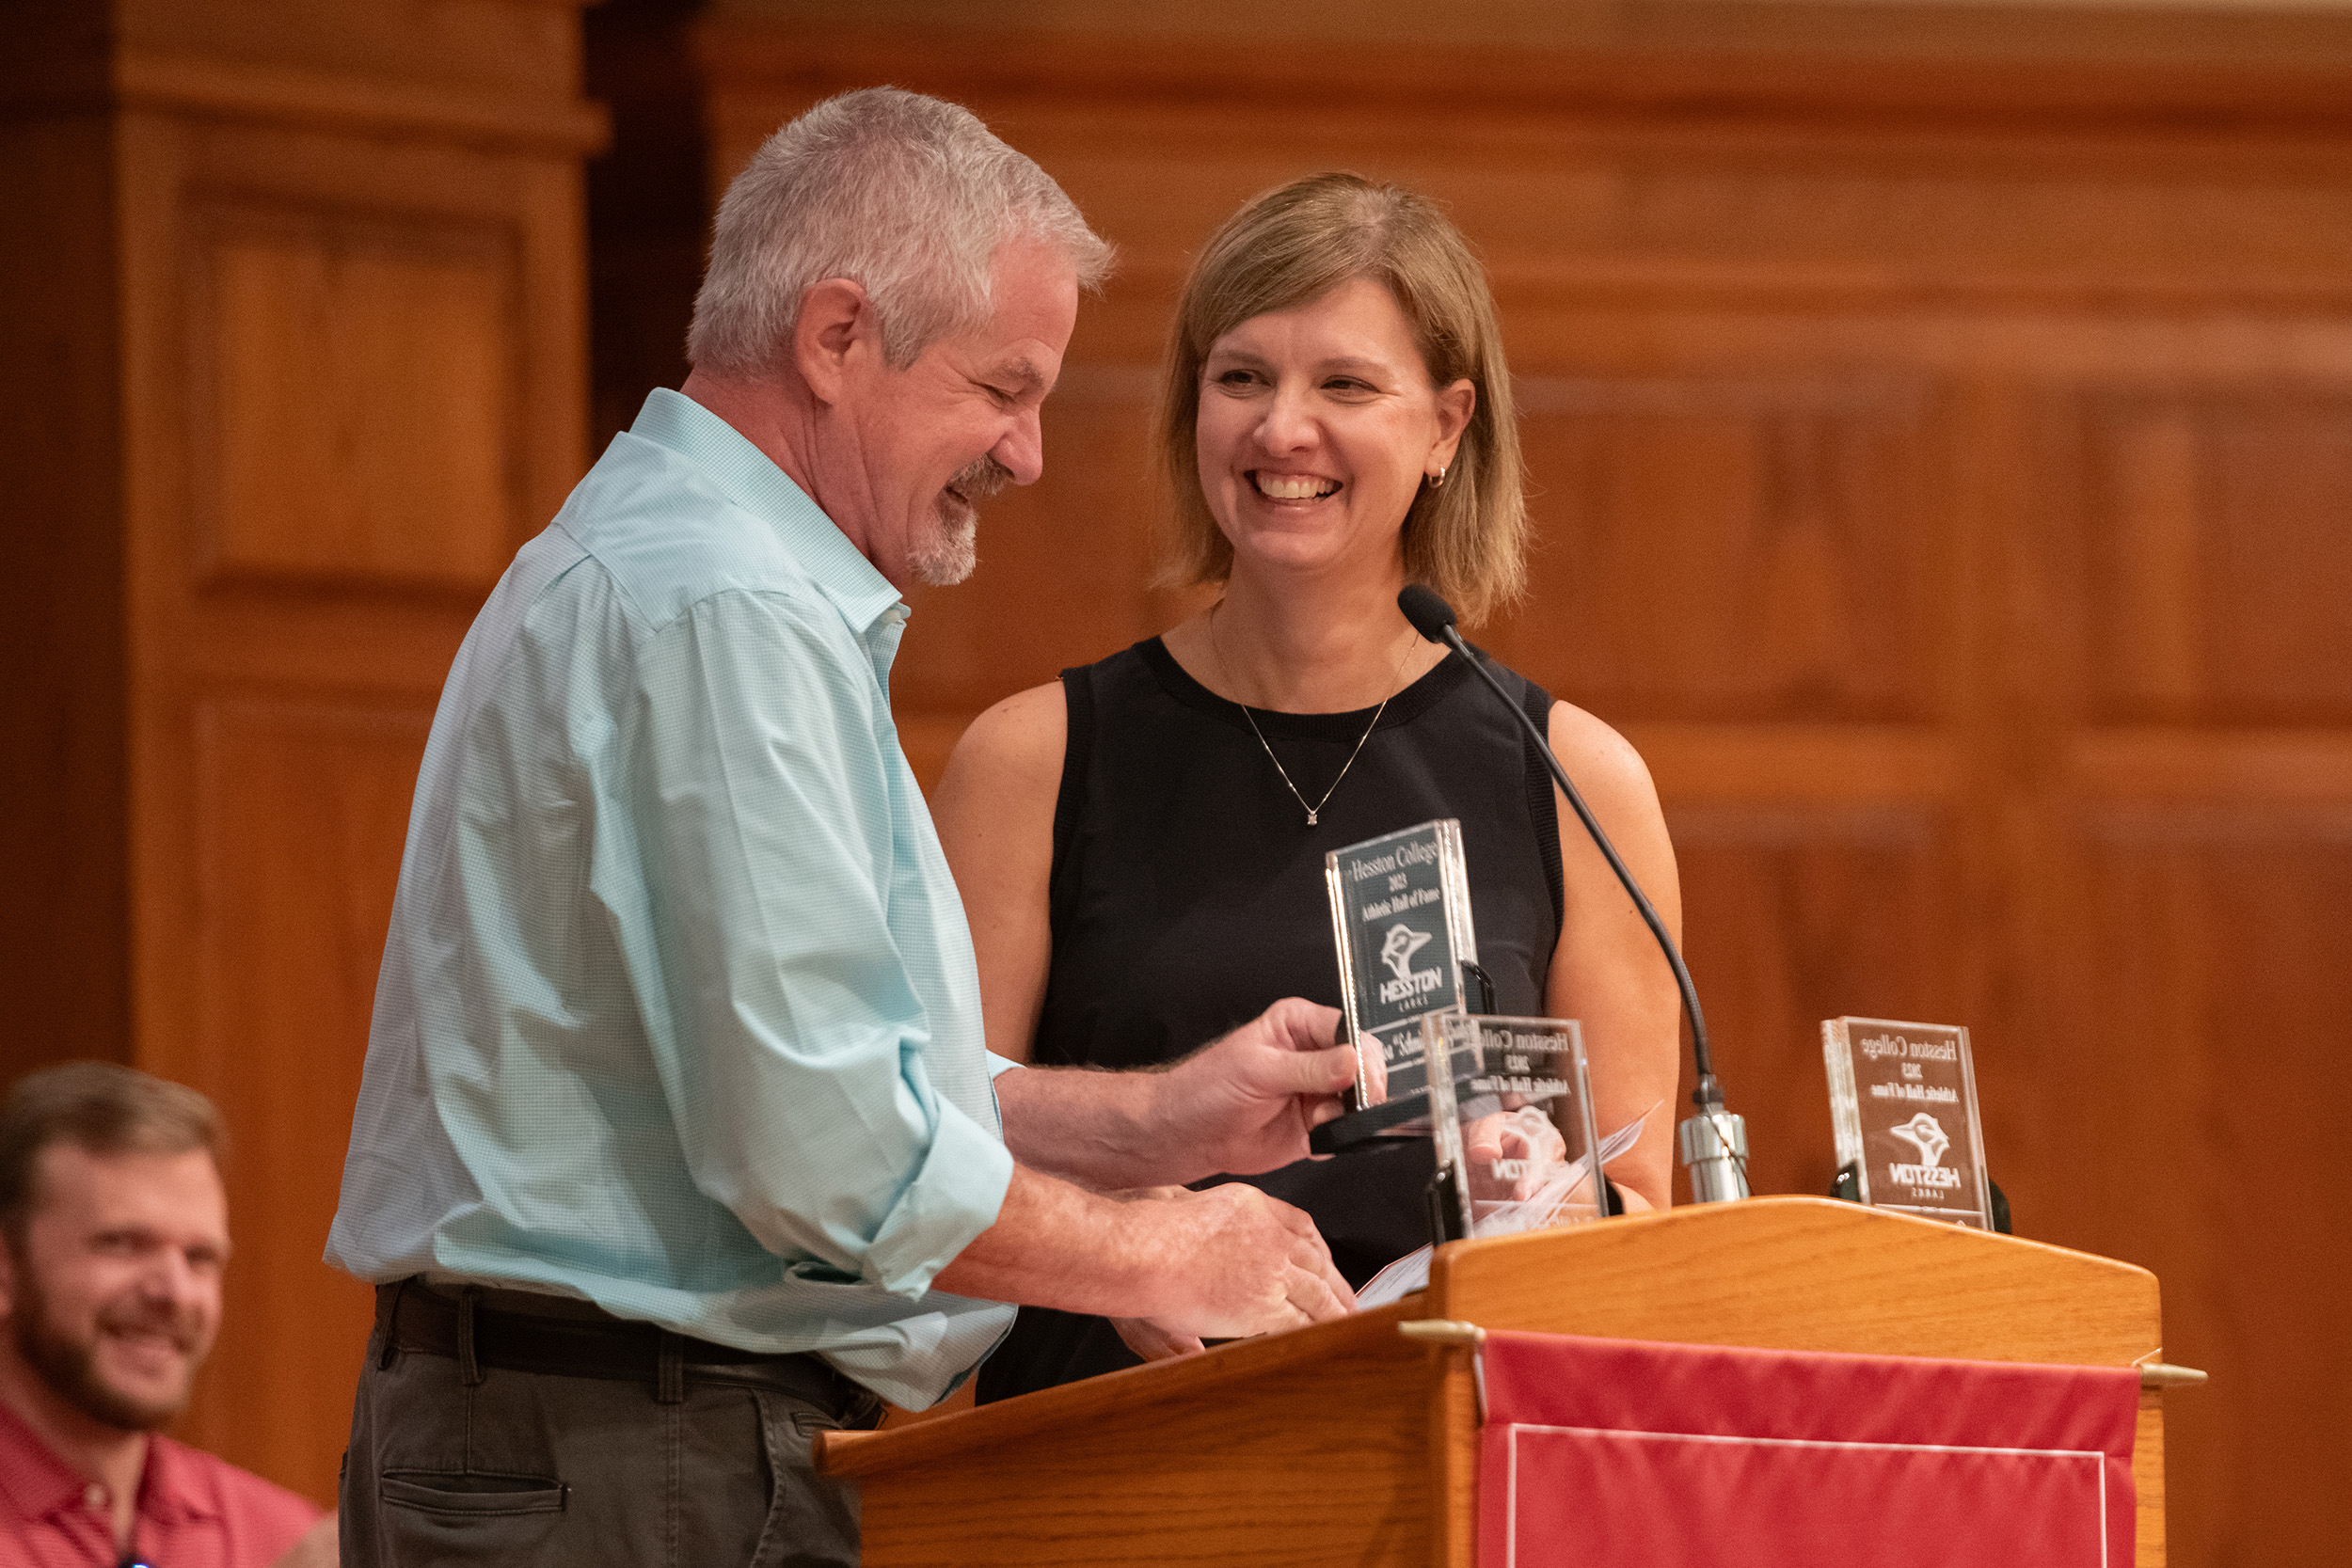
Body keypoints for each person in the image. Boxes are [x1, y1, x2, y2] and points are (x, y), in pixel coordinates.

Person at [326, 87, 1359, 1568]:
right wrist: (1155, 1245)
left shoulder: (688, 570)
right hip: (637, 1461)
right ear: (834, 336)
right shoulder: (726, 608)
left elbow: (802, 1085)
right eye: (1004, 387)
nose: (1028, 453)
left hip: (608, 1445)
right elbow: (823, 1152)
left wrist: (1145, 1130)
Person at [932, 173, 1685, 1400]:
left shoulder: (1573, 775)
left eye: (1343, 384)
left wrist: (1544, 1185)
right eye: (1242, 377)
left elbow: (1642, 1211)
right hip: (1104, 1455)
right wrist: (1122, 1251)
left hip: (1439, 1453)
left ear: (1447, 427)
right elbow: (930, 1157)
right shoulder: (1033, 756)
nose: (1283, 429)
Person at [0, 1062, 335, 1568]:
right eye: (122, 1244)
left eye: (199, 1257)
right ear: (5, 1269)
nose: (173, 1292)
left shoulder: (279, 1532)